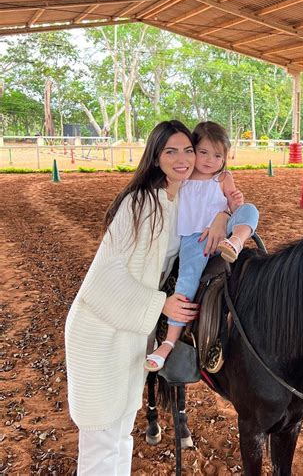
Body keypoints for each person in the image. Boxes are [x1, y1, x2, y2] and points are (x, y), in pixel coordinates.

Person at [65, 120, 229, 475]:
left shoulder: (178, 199)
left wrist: (222, 217)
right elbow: (106, 276)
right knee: (101, 437)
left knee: (121, 430)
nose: (183, 158)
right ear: (156, 158)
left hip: (129, 329)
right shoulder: (140, 203)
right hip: (100, 328)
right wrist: (161, 304)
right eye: (171, 151)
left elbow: (221, 202)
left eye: (189, 150)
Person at [145, 121, 259, 371]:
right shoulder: (182, 178)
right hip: (194, 240)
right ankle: (169, 342)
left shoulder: (223, 177)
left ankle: (236, 242)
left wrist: (233, 206)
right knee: (187, 280)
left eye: (217, 155)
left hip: (223, 234)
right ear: (193, 150)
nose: (209, 160)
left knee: (251, 210)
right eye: (203, 152)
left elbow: (235, 207)